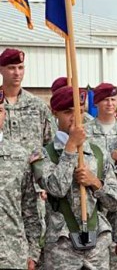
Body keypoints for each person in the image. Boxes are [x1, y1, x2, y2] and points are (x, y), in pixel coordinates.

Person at [31, 86, 117, 270]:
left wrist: (95, 183)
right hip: (62, 246)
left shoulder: (97, 152)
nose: (75, 118)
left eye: (79, 112)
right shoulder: (43, 155)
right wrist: (71, 146)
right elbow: (56, 188)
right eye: (68, 112)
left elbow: (116, 202)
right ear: (54, 113)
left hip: (96, 244)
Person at [84, 83, 117, 268]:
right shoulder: (86, 132)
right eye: (105, 100)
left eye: (113, 99)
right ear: (96, 103)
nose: (110, 104)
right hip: (97, 197)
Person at [0, 89, 41, 270]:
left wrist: (32, 252)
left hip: (12, 254)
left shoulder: (19, 156)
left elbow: (30, 208)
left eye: (0, 111)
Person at [0, 48, 53, 152]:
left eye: (20, 68)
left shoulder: (37, 105)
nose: (17, 73)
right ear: (1, 69)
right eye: (11, 68)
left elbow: (50, 144)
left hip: (32, 167)